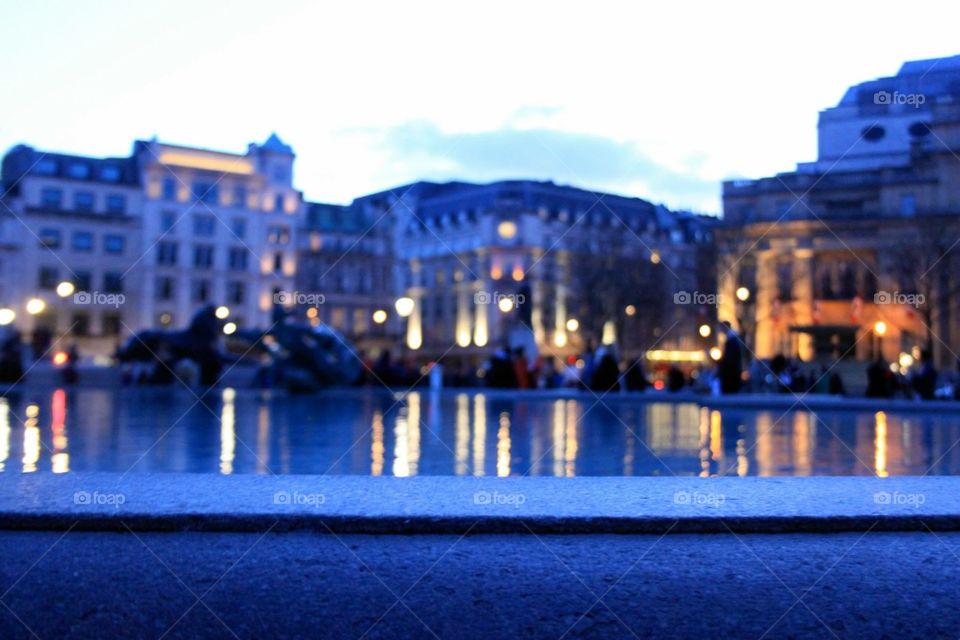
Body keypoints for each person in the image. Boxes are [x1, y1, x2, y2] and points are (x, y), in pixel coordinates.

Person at [717, 321, 743, 394]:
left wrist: (720, 363)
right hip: (733, 374)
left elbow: (729, 360)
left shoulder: (731, 341)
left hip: (731, 376)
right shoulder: (733, 339)